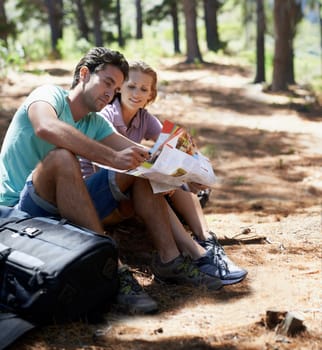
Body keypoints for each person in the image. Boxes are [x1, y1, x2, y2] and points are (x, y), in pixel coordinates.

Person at [0, 47, 224, 316]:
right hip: (19, 213)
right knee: (61, 157)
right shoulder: (48, 96)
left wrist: (186, 179)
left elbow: (144, 159)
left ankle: (170, 259)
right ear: (84, 74)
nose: (110, 93)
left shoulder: (95, 123)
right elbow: (46, 127)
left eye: (115, 87)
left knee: (137, 169)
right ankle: (115, 273)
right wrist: (112, 157)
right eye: (107, 82)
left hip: (65, 207)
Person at [79, 60, 247, 291]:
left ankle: (206, 240)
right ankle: (195, 252)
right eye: (131, 86)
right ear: (119, 88)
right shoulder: (107, 116)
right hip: (101, 196)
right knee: (154, 180)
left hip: (127, 187)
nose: (136, 93)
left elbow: (176, 149)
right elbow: (107, 171)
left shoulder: (144, 118)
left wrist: (190, 171)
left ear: (151, 95)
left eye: (144, 89)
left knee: (171, 177)